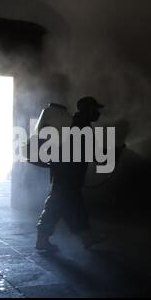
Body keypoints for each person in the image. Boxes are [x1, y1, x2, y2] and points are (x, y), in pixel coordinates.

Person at [36, 96, 106, 251]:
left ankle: (86, 238)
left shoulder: (73, 122)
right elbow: (91, 151)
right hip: (69, 174)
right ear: (88, 109)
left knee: (69, 205)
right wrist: (109, 154)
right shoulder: (82, 125)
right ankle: (43, 240)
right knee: (58, 206)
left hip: (64, 172)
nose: (98, 113)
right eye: (95, 109)